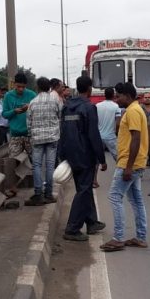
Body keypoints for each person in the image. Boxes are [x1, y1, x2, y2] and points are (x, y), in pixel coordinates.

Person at [100, 82, 149, 252]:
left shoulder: (134, 111)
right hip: (135, 162)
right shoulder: (134, 110)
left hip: (130, 163)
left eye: (118, 95)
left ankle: (118, 238)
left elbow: (135, 139)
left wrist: (128, 167)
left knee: (114, 197)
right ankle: (141, 237)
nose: (116, 98)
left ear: (127, 96)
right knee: (136, 200)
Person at [59, 76, 107, 241]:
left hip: (70, 154)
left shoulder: (67, 107)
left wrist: (62, 155)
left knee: (83, 189)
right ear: (89, 89)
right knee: (84, 190)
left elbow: (63, 132)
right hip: (85, 155)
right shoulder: (88, 107)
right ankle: (72, 229)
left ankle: (92, 222)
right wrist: (102, 158)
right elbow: (93, 135)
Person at [25, 77, 62, 206]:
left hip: (37, 138)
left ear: (38, 87)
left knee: (37, 165)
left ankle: (37, 194)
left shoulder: (33, 102)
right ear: (49, 87)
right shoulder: (55, 100)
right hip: (52, 137)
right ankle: (48, 194)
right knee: (50, 165)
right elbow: (60, 117)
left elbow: (28, 122)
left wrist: (31, 135)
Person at [2, 73, 37, 197]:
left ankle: (38, 187)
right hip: (15, 134)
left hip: (30, 134)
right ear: (14, 84)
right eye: (18, 87)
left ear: (26, 85)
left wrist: (30, 108)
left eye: (23, 87)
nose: (21, 89)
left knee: (36, 161)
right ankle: (12, 186)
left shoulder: (32, 95)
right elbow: (4, 114)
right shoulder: (8, 96)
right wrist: (14, 111)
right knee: (12, 161)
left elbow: (38, 112)